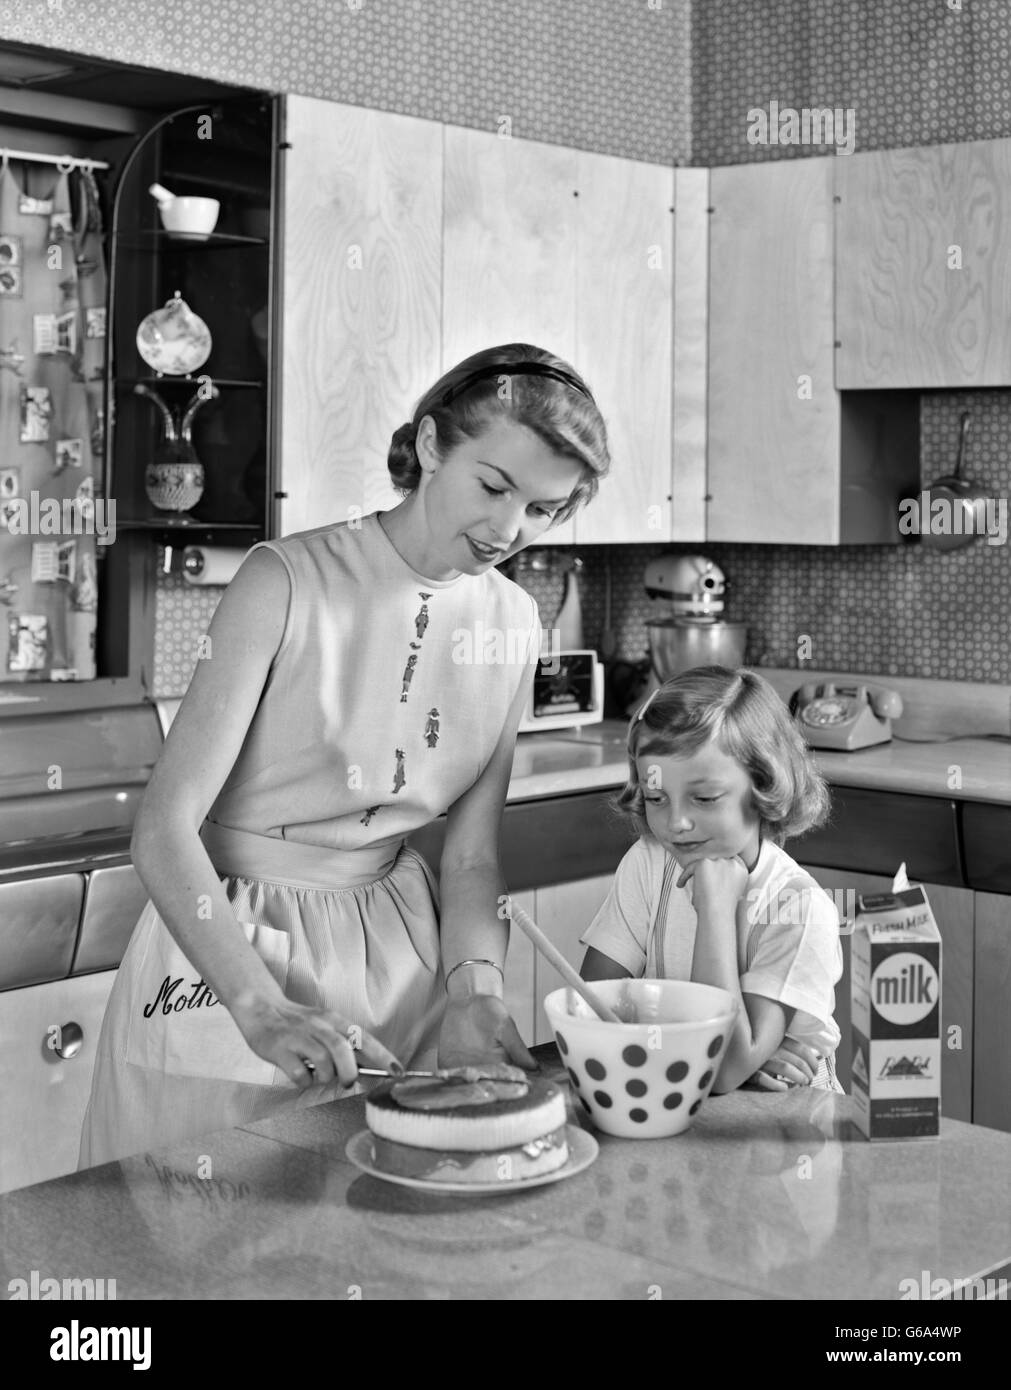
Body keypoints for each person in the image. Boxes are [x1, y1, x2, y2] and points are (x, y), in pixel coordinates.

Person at [79, 342, 611, 1168]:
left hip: (401, 952)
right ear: (433, 446)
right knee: (202, 1249)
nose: (509, 530)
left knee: (371, 1238)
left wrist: (473, 991)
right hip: (235, 947)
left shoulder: (512, 623)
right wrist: (257, 1003)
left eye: (544, 509)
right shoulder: (283, 581)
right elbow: (163, 828)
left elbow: (468, 860)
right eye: (494, 486)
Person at [580, 666, 844, 1093]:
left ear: (763, 785)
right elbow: (593, 1007)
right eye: (656, 798)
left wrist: (717, 908)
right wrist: (731, 1051)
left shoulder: (799, 908)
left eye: (704, 798)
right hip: (679, 1094)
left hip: (787, 1122)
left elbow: (720, 1071)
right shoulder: (648, 865)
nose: (677, 823)